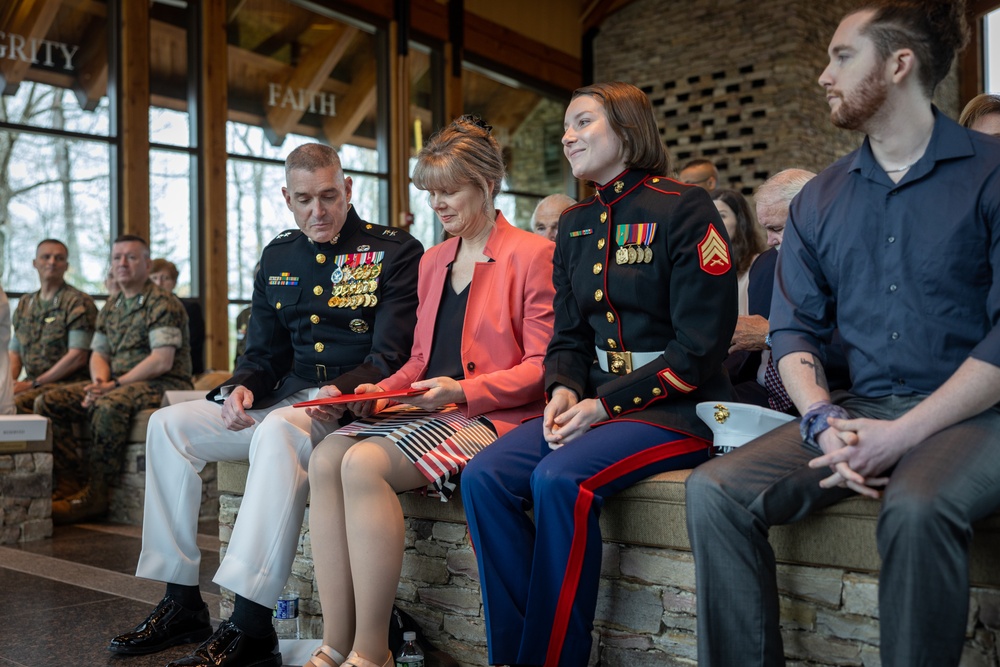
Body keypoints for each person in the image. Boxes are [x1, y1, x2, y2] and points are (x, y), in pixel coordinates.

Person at [686, 3, 1000, 666]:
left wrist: (901, 436)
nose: (824, 75)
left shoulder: (992, 172)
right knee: (714, 490)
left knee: (914, 509)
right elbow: (796, 332)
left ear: (898, 64)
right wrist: (823, 416)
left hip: (979, 413)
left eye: (842, 56)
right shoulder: (820, 200)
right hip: (857, 410)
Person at [108, 143, 423, 667]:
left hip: (350, 405)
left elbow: (391, 353)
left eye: (328, 196)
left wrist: (340, 391)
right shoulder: (279, 255)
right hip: (287, 394)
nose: (316, 212)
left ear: (348, 189)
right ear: (287, 198)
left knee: (278, 430)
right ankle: (180, 600)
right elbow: (262, 352)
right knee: (168, 425)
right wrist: (243, 387)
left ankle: (250, 623)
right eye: (303, 199)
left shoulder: (394, 251)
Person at [461, 81, 738, 667]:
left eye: (583, 122)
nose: (567, 136)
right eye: (566, 126)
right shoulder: (579, 221)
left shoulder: (684, 206)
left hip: (675, 408)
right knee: (484, 478)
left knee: (560, 479)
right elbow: (567, 336)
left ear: (627, 129)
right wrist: (563, 389)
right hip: (591, 400)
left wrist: (603, 405)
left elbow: (700, 347)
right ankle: (510, 655)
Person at [304, 115, 555, 667]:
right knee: (325, 457)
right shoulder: (434, 259)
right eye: (431, 194)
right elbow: (419, 360)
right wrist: (377, 387)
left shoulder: (532, 254)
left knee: (361, 462)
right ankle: (334, 641)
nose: (438, 205)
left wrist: (461, 391)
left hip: (490, 416)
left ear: (488, 184)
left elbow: (542, 367)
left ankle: (373, 652)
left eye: (449, 192)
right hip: (427, 407)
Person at [36, 235, 193, 523]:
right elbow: (98, 353)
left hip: (166, 383)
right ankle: (70, 484)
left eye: (130, 257)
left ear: (146, 263)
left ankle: (96, 495)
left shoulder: (162, 302)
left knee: (109, 404)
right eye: (117, 257)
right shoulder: (113, 305)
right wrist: (99, 383)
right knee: (48, 401)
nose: (122, 263)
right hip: (118, 382)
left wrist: (113, 386)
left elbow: (162, 360)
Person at [10, 239, 97, 415]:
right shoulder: (26, 303)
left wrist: (34, 384)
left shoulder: (78, 302)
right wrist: (8, 384)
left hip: (68, 382)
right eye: (46, 257)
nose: (52, 262)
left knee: (16, 403)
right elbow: (14, 353)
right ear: (35, 263)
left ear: (66, 265)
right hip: (33, 382)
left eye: (59, 258)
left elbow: (77, 356)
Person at [710, 188, 765, 316]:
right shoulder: (703, 265)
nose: (714, 222)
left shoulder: (758, 265)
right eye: (711, 216)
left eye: (722, 216)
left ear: (740, 221)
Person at [150, 258, 206, 375]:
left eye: (165, 278)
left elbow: (194, 346)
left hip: (185, 373)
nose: (159, 283)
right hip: (149, 371)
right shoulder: (144, 310)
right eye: (154, 278)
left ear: (174, 282)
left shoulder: (190, 309)